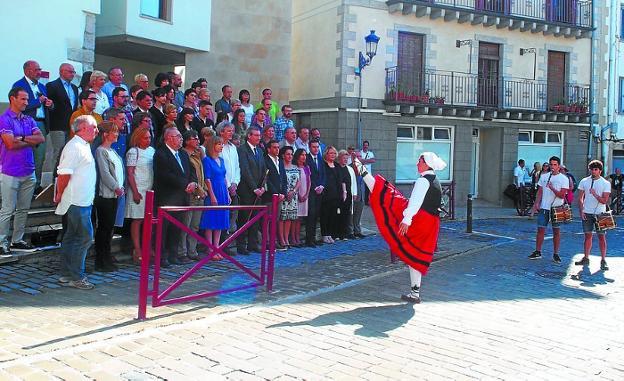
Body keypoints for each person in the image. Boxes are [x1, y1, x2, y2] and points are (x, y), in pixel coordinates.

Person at [353, 152, 446, 303]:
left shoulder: (423, 181)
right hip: (430, 222)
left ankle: (360, 168)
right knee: (415, 255)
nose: (417, 164)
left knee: (387, 196)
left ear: (426, 164)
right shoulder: (435, 179)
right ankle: (414, 293)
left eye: (419, 161)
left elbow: (415, 202)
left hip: (419, 219)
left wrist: (406, 219)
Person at [54, 115, 99, 290]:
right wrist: (59, 194)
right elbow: (64, 174)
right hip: (76, 201)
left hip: (83, 200)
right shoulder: (74, 147)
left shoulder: (83, 145)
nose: (96, 130)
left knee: (72, 237)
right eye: (93, 127)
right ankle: (77, 276)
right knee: (84, 237)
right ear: (81, 128)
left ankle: (66, 274)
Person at [0, 87, 46, 255]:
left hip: (29, 170)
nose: (27, 102)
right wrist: (29, 141)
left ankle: (17, 240)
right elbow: (10, 144)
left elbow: (41, 138)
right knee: (7, 209)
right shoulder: (4, 119)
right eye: (23, 99)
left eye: (27, 99)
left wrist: (22, 138)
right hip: (10, 170)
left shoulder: (28, 119)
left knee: (23, 209)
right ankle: (1, 241)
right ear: (13, 98)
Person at [153, 127, 198, 267]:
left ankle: (174, 255)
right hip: (167, 197)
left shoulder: (183, 154)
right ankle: (162, 257)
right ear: (169, 138)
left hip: (182, 198)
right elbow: (165, 175)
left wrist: (193, 182)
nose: (181, 139)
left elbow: (191, 171)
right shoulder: (161, 154)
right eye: (178, 136)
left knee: (176, 228)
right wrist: (185, 184)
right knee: (164, 230)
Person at [13, 60, 53, 191]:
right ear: (27, 71)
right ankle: (22, 185)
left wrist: (50, 104)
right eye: (36, 70)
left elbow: (48, 106)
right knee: (24, 154)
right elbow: (18, 106)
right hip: (25, 123)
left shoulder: (42, 87)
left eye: (39, 69)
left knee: (40, 156)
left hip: (41, 123)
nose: (39, 72)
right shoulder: (19, 85)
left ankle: (36, 186)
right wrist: (37, 101)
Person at [94, 121, 125, 272]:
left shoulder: (113, 151)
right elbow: (105, 173)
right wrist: (115, 187)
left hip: (115, 194)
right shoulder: (101, 151)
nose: (117, 134)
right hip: (106, 195)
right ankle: (101, 259)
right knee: (104, 228)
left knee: (110, 228)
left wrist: (121, 186)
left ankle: (107, 257)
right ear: (105, 134)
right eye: (114, 132)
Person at [528, 156, 569, 263]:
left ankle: (556, 253)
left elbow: (561, 195)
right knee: (540, 229)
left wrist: (552, 188)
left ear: (559, 166)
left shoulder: (564, 179)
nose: (552, 167)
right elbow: (540, 191)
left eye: (555, 165)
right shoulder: (544, 176)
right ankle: (538, 251)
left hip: (557, 208)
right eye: (551, 164)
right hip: (544, 207)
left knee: (556, 231)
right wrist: (536, 203)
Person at [125, 125, 155, 264]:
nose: (148, 140)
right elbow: (130, 173)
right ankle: (137, 249)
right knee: (137, 220)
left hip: (149, 188)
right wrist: (135, 192)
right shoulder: (133, 152)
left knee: (148, 220)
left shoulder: (152, 151)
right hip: (137, 189)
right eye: (145, 138)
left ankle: (148, 247)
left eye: (149, 138)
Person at [236, 127, 267, 255]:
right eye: (256, 135)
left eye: (259, 135)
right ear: (249, 136)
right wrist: (254, 187)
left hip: (259, 190)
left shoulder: (259, 151)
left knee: (255, 218)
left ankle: (253, 244)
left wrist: (262, 186)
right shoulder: (242, 150)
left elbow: (264, 170)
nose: (258, 137)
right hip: (247, 190)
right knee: (244, 218)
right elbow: (245, 170)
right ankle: (241, 245)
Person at [576, 160, 611, 270]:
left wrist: (595, 194)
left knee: (601, 237)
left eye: (596, 169)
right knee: (587, 236)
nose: (593, 171)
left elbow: (604, 201)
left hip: (600, 214)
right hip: (587, 212)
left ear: (600, 171)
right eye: (592, 169)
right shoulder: (584, 181)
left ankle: (603, 259)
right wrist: (581, 210)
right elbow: (580, 197)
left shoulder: (605, 183)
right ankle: (586, 257)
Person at [199, 135, 230, 260]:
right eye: (218, 144)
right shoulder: (207, 160)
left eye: (222, 144)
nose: (221, 146)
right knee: (211, 220)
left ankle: (217, 247)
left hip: (222, 190)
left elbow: (224, 177)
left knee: (220, 220)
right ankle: (210, 248)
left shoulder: (221, 160)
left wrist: (227, 193)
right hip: (214, 190)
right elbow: (207, 179)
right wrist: (212, 195)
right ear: (213, 145)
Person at [46, 63, 79, 174]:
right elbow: (49, 105)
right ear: (61, 72)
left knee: (69, 152)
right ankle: (53, 182)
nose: (72, 74)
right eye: (70, 71)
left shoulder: (74, 88)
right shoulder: (52, 85)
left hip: (71, 125)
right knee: (58, 153)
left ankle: (65, 176)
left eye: (73, 72)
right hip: (57, 125)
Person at [179, 130, 207, 261]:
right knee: (185, 224)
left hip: (200, 194)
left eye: (197, 138)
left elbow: (201, 173)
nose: (197, 141)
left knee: (195, 225)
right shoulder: (183, 155)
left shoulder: (197, 155)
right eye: (194, 139)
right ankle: (182, 251)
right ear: (187, 141)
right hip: (190, 194)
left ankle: (192, 250)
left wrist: (204, 189)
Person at [218, 122, 241, 246]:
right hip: (222, 187)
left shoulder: (233, 148)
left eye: (232, 131)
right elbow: (220, 168)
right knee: (223, 216)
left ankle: (230, 241)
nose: (231, 133)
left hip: (233, 187)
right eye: (228, 131)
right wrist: (228, 185)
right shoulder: (218, 146)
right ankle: (221, 243)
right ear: (221, 132)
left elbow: (237, 167)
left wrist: (235, 183)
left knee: (233, 216)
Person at [320, 146, 347, 243]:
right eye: (331, 153)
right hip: (326, 195)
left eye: (334, 153)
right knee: (325, 215)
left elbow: (342, 180)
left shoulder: (337, 165)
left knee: (333, 215)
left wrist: (344, 192)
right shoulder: (323, 165)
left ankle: (330, 234)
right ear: (326, 154)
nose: (333, 155)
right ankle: (324, 235)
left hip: (336, 194)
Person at [305, 139, 325, 247]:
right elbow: (308, 176)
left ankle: (314, 238)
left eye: (317, 147)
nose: (316, 149)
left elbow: (323, 174)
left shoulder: (321, 159)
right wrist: (314, 187)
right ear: (309, 147)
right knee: (311, 215)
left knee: (316, 214)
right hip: (311, 191)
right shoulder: (307, 159)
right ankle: (309, 239)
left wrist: (322, 185)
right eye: (314, 147)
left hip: (320, 191)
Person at [337, 150, 354, 240]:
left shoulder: (348, 169)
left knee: (346, 214)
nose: (345, 160)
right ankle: (338, 233)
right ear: (339, 158)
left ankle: (344, 233)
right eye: (344, 158)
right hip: (339, 195)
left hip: (348, 195)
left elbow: (352, 181)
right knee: (338, 214)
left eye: (347, 158)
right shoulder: (337, 168)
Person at [294, 149, 310, 246]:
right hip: (296, 194)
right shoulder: (295, 167)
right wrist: (299, 195)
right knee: (295, 217)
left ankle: (298, 237)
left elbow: (309, 181)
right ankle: (293, 238)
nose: (304, 157)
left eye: (305, 155)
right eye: (302, 155)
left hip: (305, 194)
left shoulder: (306, 167)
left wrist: (307, 194)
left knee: (300, 219)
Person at [360, 140, 375, 204]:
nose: (365, 146)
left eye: (367, 145)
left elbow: (373, 160)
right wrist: (368, 160)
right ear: (363, 145)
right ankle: (360, 200)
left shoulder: (370, 153)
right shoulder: (360, 153)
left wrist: (364, 160)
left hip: (368, 173)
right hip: (361, 172)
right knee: (360, 187)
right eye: (364, 145)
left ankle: (366, 201)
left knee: (367, 188)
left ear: (368, 146)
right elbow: (359, 161)